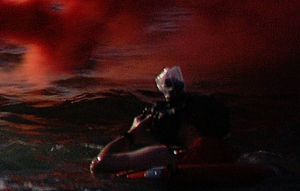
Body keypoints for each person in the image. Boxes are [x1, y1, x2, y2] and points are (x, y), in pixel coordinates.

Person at [90, 66, 235, 175]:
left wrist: (132, 133)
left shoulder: (165, 156)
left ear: (192, 128)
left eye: (181, 121)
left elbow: (99, 165)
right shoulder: (230, 156)